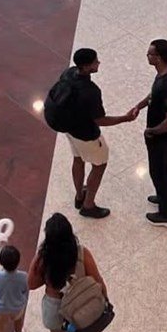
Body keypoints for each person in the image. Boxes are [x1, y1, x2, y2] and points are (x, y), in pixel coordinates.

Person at [27, 213, 106, 332]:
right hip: (80, 303)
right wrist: (104, 299)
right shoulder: (81, 253)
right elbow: (97, 279)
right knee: (85, 326)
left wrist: (39, 255)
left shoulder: (44, 259)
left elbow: (31, 284)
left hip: (55, 308)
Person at [59, 48, 138, 219]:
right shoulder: (91, 91)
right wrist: (125, 118)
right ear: (86, 66)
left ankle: (79, 196)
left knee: (78, 159)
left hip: (69, 129)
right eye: (95, 62)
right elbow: (100, 120)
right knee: (99, 165)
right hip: (86, 135)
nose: (98, 63)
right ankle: (88, 205)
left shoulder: (68, 73)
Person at [132, 39, 167, 227]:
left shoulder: (166, 84)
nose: (147, 56)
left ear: (159, 58)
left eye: (150, 54)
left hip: (163, 134)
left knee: (157, 171)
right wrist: (140, 105)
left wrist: (151, 131)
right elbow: (154, 94)